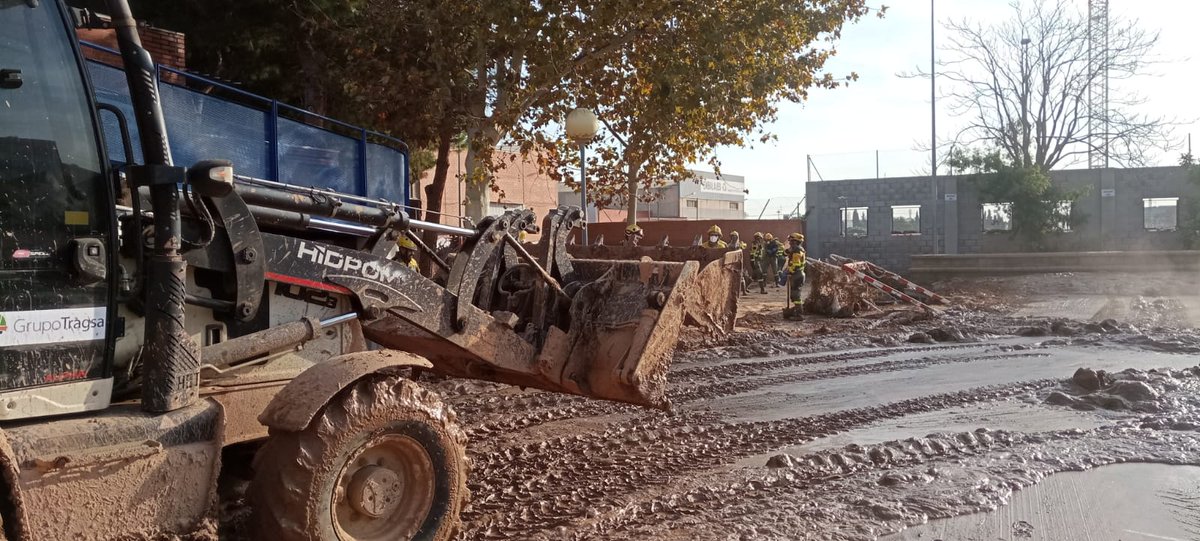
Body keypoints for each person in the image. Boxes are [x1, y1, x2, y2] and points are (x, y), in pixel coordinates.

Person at [783, 232, 807, 319]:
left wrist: (790, 271)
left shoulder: (797, 251)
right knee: (794, 295)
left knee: (796, 295)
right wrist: (788, 250)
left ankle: (800, 315)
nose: (789, 243)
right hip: (796, 274)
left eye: (791, 241)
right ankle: (796, 312)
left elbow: (796, 264)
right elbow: (784, 254)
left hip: (797, 274)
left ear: (796, 242)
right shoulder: (794, 249)